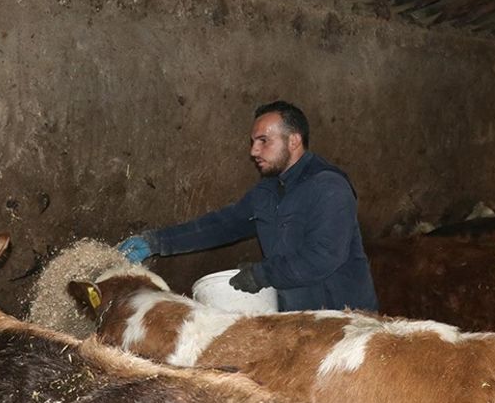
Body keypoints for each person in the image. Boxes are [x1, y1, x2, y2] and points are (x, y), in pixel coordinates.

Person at [118, 100, 378, 312]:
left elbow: (323, 257)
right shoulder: (268, 191)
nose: (254, 151)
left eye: (264, 141)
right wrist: (157, 242)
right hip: (299, 320)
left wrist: (262, 274)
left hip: (344, 323)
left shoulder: (329, 187)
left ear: (294, 141)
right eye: (253, 141)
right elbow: (221, 225)